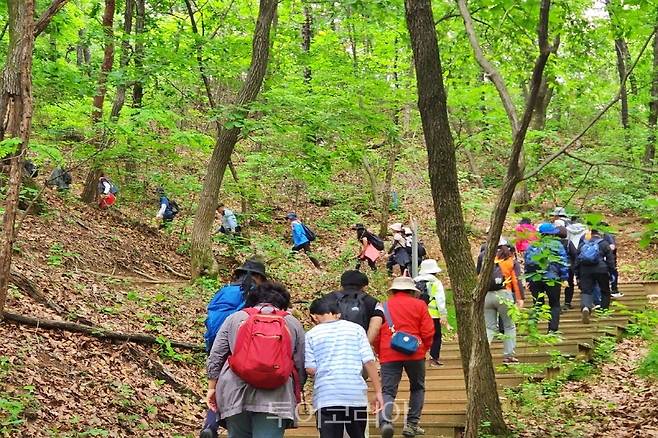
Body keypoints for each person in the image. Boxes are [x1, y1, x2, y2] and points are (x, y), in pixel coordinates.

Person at [205, 281, 305, 438]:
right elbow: (300, 363)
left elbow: (216, 355)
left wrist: (212, 387)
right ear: (283, 303)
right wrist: (298, 390)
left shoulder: (235, 318)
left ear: (252, 300)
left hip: (235, 392)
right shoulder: (292, 323)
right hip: (277, 396)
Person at [200, 259, 267, 438]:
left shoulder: (223, 291)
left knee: (219, 387)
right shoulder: (256, 294)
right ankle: (246, 424)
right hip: (244, 346)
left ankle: (210, 425)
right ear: (259, 277)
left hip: (217, 342)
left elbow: (210, 319)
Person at [305, 296, 384, 438]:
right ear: (338, 313)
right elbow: (369, 361)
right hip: (354, 396)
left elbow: (311, 369)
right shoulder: (356, 329)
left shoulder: (311, 335)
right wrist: (378, 391)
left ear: (314, 317)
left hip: (327, 397)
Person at [375, 277, 434, 438]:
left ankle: (385, 422)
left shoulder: (383, 306)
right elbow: (428, 330)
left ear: (393, 291)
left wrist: (380, 352)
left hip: (389, 352)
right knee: (417, 387)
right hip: (415, 353)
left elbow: (376, 333)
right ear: (412, 291)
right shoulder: (420, 305)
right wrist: (425, 348)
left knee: (388, 390)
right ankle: (412, 424)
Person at [479, 239, 524, 363]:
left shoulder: (483, 257)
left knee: (489, 327)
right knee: (509, 325)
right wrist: (520, 298)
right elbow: (516, 280)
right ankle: (508, 355)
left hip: (487, 295)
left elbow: (478, 275)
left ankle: (482, 354)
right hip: (505, 294)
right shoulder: (509, 259)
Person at [524, 223, 569, 333]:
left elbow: (527, 263)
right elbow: (563, 262)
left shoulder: (533, 245)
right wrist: (564, 278)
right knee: (554, 304)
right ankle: (552, 330)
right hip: (552, 278)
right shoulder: (557, 245)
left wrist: (527, 279)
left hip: (535, 278)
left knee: (537, 303)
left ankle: (532, 327)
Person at [327, 270, 385, 344]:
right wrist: (366, 345)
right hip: (358, 345)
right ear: (363, 286)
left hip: (332, 345)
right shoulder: (371, 301)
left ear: (342, 284)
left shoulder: (328, 298)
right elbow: (375, 326)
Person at [575, 228, 616, 324]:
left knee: (586, 291)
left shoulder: (583, 244)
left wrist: (577, 274)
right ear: (599, 235)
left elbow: (577, 260)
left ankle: (586, 307)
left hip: (585, 270)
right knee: (605, 290)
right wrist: (611, 271)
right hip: (601, 270)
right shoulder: (604, 243)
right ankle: (603, 311)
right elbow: (610, 259)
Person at [413, 259, 449, 367]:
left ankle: (418, 357)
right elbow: (440, 299)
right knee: (436, 336)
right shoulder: (435, 282)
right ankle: (433, 358)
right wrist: (443, 314)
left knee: (418, 335)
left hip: (417, 314)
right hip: (433, 314)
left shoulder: (414, 281)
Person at [564, 219, 588, 311]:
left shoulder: (567, 230)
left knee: (569, 282)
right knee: (584, 280)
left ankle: (567, 302)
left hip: (569, 261)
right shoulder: (585, 230)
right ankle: (586, 302)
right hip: (583, 257)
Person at [600, 222, 622, 298]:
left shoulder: (597, 235)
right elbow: (613, 247)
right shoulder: (609, 235)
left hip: (601, 259)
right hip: (610, 258)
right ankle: (614, 289)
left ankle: (605, 290)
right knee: (612, 272)